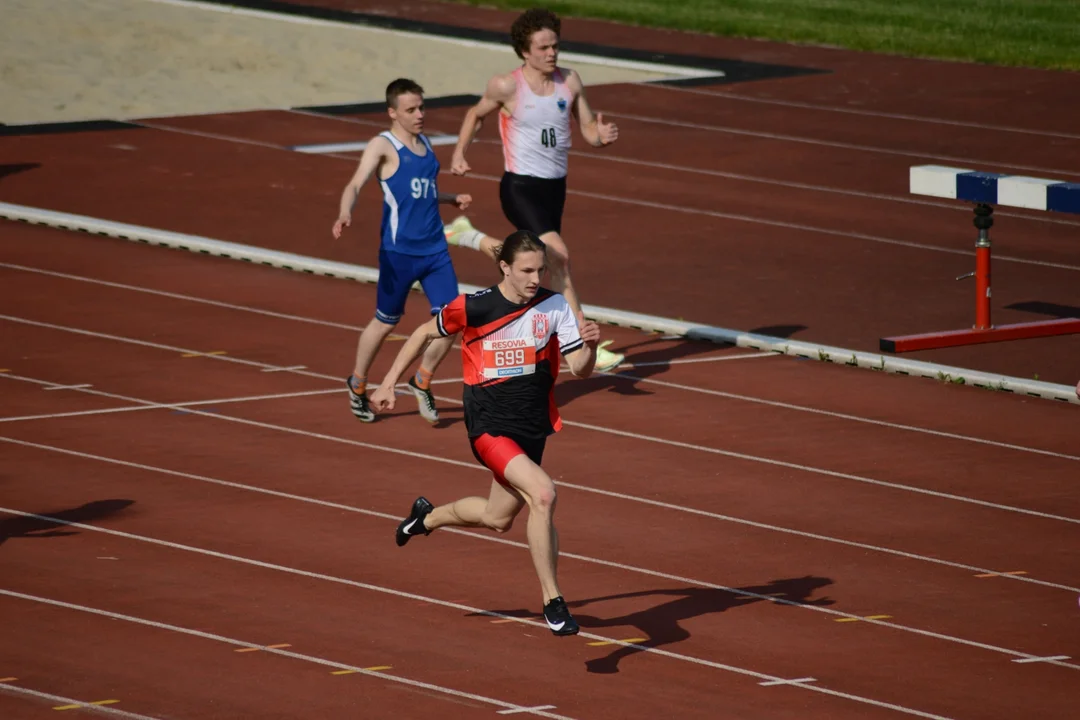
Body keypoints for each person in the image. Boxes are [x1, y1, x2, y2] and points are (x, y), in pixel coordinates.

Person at [370, 231, 600, 636]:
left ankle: (427, 518)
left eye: (541, 270)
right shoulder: (475, 307)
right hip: (489, 427)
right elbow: (425, 333)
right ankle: (553, 601)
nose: (535, 278)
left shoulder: (554, 306)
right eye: (527, 270)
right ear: (505, 267)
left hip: (532, 428)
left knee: (498, 519)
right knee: (543, 494)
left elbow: (580, 368)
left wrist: (591, 347)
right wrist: (389, 382)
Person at [446, 7, 625, 374]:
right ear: (525, 52)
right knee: (558, 255)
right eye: (543, 48)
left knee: (540, 262)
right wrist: (460, 152)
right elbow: (475, 115)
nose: (551, 53)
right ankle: (581, 342)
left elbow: (589, 128)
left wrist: (601, 138)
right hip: (519, 186)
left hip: (554, 189)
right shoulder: (507, 86)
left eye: (555, 46)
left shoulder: (570, 82)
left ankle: (469, 235)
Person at [332, 78, 472, 424]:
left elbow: (421, 192)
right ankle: (358, 382)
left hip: (435, 251)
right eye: (411, 109)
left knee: (451, 321)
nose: (420, 114)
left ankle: (421, 380)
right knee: (385, 322)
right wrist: (345, 211)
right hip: (400, 254)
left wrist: (449, 198)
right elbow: (355, 183)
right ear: (392, 112)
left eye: (422, 107)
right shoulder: (383, 146)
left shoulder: (426, 143)